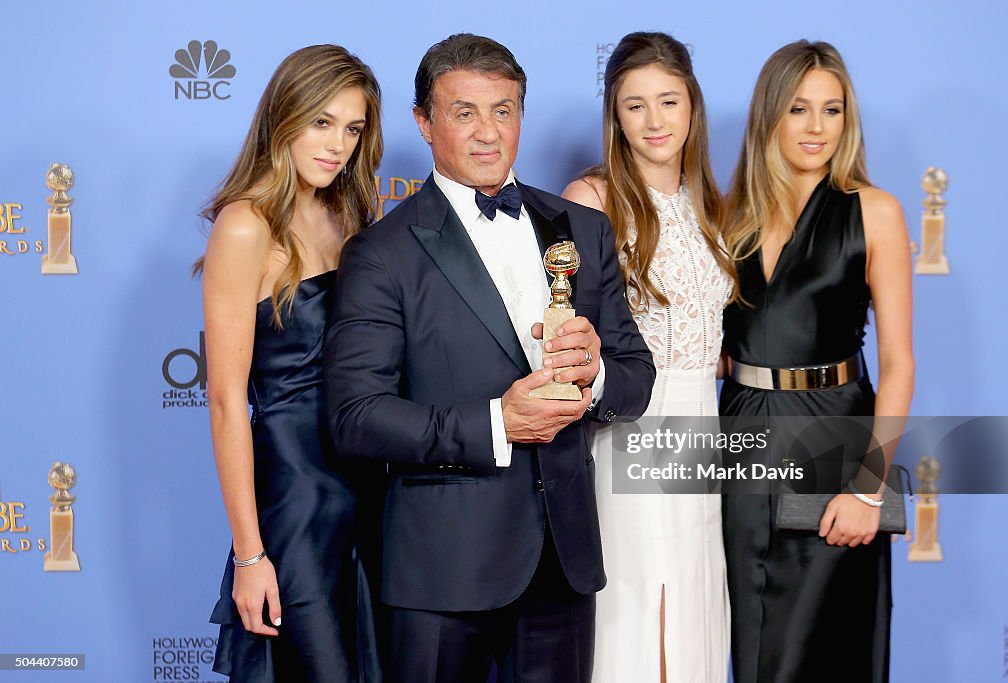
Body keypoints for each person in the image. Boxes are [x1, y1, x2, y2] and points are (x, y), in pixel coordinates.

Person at [323, 33, 655, 683]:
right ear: (424, 123)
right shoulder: (382, 253)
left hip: (562, 563)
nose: (487, 132)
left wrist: (595, 376)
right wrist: (499, 422)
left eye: (503, 111)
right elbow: (355, 417)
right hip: (442, 571)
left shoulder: (581, 228)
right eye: (464, 112)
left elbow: (636, 378)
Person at [719, 40, 914, 683]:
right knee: (752, 642)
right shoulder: (730, 215)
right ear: (770, 114)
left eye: (832, 110)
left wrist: (869, 485)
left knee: (825, 644)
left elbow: (899, 362)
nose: (816, 128)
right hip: (743, 433)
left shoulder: (874, 211)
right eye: (799, 109)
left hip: (834, 435)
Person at [199, 44, 384, 682]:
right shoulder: (245, 225)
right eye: (322, 122)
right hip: (296, 500)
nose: (338, 145)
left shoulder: (347, 213)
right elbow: (226, 402)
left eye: (353, 129)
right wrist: (250, 556)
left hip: (368, 485)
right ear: (283, 117)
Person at [563, 31, 735, 683]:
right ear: (615, 114)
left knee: (692, 602)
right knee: (635, 606)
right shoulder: (592, 198)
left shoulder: (711, 203)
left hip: (701, 428)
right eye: (635, 105)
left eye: (669, 100)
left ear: (692, 105)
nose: (654, 120)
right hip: (628, 428)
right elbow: (566, 337)